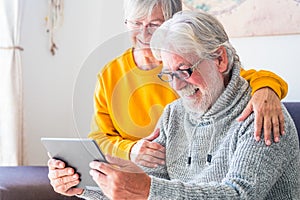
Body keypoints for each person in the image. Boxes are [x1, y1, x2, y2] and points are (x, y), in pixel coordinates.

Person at [53, 10, 298, 199]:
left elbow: (239, 194)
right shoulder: (174, 114)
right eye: (169, 74)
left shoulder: (263, 116)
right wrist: (83, 186)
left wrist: (146, 190)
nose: (177, 86)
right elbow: (142, 185)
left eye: (184, 70)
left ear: (220, 59)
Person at [88, 0, 288, 168]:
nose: (143, 34)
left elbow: (237, 79)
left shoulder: (189, 61)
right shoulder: (109, 74)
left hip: (189, 169)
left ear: (173, 23)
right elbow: (99, 138)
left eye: (154, 24)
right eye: (136, 23)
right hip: (135, 171)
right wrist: (130, 151)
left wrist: (266, 89)